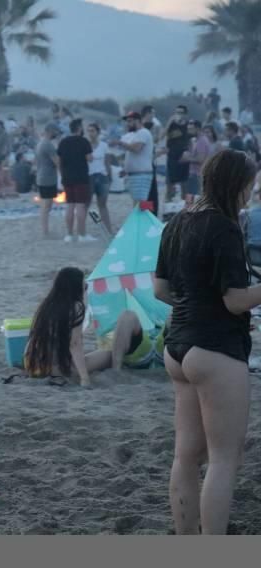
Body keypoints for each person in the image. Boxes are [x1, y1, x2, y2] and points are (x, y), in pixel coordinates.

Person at [154, 149, 259, 535]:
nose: (252, 191)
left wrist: (197, 302)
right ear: (239, 185)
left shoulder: (178, 222)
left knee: (186, 455)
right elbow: (235, 301)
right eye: (251, 184)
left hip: (177, 348)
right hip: (215, 350)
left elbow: (161, 289)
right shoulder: (226, 229)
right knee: (223, 459)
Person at [24, 267, 156, 386]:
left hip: (34, 365)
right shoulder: (76, 307)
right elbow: (75, 345)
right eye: (85, 286)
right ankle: (115, 370)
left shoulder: (47, 305)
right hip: (56, 369)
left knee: (89, 355)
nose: (86, 288)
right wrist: (84, 378)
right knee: (109, 354)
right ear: (76, 287)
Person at [57, 119, 94, 243]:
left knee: (69, 205)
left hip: (67, 177)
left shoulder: (63, 142)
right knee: (80, 205)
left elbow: (59, 160)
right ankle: (82, 235)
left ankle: (69, 234)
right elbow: (89, 158)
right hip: (81, 177)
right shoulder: (84, 142)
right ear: (79, 128)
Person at [117, 111, 155, 206]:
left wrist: (120, 143)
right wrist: (125, 169)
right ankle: (141, 220)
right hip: (134, 174)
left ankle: (144, 221)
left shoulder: (143, 132)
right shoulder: (134, 134)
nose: (128, 124)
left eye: (130, 121)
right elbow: (129, 154)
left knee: (142, 203)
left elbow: (136, 148)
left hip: (142, 174)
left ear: (138, 121)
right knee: (138, 203)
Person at [86, 123, 113, 234]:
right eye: (89, 131)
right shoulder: (86, 145)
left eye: (92, 131)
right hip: (89, 176)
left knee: (102, 204)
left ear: (97, 132)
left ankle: (108, 229)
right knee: (86, 205)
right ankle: (83, 230)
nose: (90, 133)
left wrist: (109, 176)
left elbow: (107, 162)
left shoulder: (104, 145)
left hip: (102, 176)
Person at [35, 124, 60, 238]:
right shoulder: (48, 145)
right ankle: (45, 231)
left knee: (46, 205)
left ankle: (45, 229)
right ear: (50, 131)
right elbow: (57, 162)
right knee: (46, 205)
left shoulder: (40, 144)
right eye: (55, 131)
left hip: (42, 176)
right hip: (47, 178)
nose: (56, 133)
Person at [182, 120, 212, 208]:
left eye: (191, 129)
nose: (189, 131)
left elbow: (200, 159)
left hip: (197, 175)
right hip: (194, 175)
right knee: (191, 199)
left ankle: (189, 217)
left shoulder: (202, 141)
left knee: (191, 201)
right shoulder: (197, 141)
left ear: (197, 129)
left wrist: (187, 158)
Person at [164, 105, 191, 202]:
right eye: (176, 112)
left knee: (185, 185)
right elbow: (162, 135)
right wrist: (169, 122)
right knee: (170, 184)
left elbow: (191, 140)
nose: (178, 114)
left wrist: (189, 151)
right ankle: (168, 207)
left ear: (185, 114)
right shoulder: (171, 124)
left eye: (181, 112)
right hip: (172, 155)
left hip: (184, 156)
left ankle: (186, 208)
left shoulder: (188, 125)